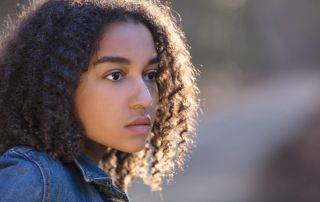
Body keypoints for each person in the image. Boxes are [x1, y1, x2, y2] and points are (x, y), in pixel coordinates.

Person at [0, 0, 199, 201]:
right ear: (57, 83)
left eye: (150, 75)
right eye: (115, 75)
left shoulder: (85, 183)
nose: (145, 99)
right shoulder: (36, 179)